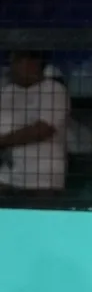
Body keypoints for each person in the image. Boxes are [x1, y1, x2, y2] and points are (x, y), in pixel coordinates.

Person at [0, 51, 70, 195]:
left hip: (42, 178)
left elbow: (43, 130)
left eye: (20, 60)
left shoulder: (53, 89)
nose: (14, 66)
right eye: (14, 61)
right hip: (7, 175)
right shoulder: (7, 91)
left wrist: (3, 141)